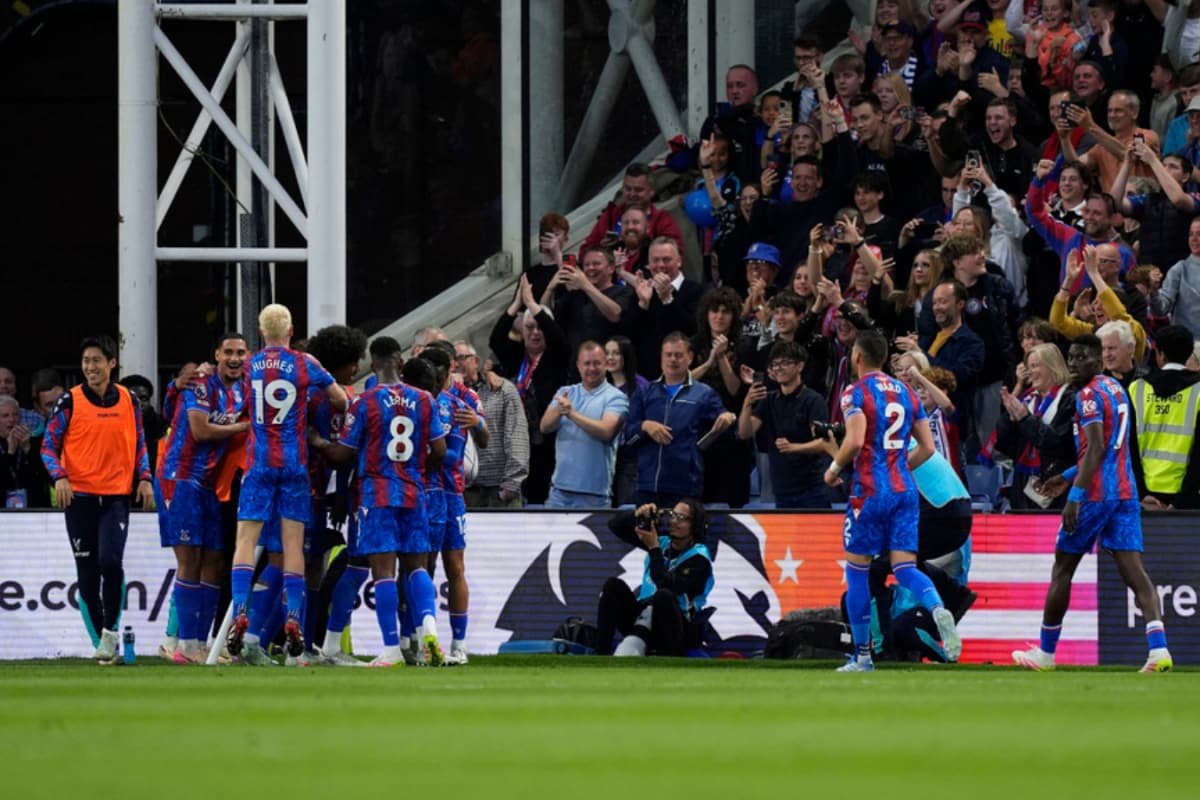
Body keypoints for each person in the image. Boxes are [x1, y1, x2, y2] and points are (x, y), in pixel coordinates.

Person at [1013, 335, 1173, 674]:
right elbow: (1112, 448)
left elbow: (1097, 448)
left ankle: (1045, 653)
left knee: (1062, 569)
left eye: (1082, 357)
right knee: (1135, 572)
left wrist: (1074, 495)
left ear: (1098, 360)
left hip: (1096, 495)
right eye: (1071, 356)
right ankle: (1159, 651)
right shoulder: (1115, 389)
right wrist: (1067, 475)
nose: (1073, 363)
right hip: (1125, 492)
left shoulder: (1087, 396)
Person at [823, 328, 961, 672]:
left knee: (857, 573)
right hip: (905, 491)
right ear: (885, 357)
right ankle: (936, 608)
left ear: (856, 356)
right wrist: (898, 465)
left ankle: (864, 657)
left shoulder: (854, 392)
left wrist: (834, 467)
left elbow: (854, 441)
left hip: (869, 492)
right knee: (904, 568)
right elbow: (928, 449)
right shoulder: (906, 392)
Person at [225, 304, 347, 660]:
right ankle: (293, 615)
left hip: (259, 463)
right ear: (291, 330)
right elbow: (339, 400)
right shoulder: (306, 363)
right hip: (295, 465)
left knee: (245, 540)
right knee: (294, 546)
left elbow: (236, 408)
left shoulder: (248, 365)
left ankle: (240, 612)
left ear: (261, 333)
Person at [313, 356, 446, 668]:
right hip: (414, 493)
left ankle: (390, 649)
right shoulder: (425, 400)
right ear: (400, 364)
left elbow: (344, 453)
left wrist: (318, 441)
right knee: (417, 569)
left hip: (376, 495)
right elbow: (440, 451)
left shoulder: (365, 401)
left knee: (379, 572)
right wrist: (417, 471)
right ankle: (429, 631)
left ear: (373, 366)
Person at [40, 335, 156, 662]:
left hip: (116, 496)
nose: (90, 367)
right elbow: (48, 447)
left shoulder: (129, 400)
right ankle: (101, 646)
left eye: (96, 361)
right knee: (88, 575)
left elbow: (140, 445)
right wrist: (60, 476)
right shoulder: (69, 402)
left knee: (110, 561)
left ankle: (110, 632)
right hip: (79, 498)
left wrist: (145, 479)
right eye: (86, 361)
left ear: (111, 364)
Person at [156, 332, 250, 664]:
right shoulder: (201, 384)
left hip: (209, 483)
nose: (235, 358)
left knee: (215, 562)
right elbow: (200, 430)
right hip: (179, 478)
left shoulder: (242, 389)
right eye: (229, 352)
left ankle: (204, 642)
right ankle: (184, 643)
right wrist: (244, 428)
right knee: (190, 561)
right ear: (217, 355)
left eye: (241, 352)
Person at [624, 333, 735, 506]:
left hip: (686, 486)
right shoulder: (645, 392)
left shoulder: (704, 393)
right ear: (661, 357)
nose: (673, 360)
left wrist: (728, 416)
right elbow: (628, 438)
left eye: (678, 355)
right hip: (647, 485)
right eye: (668, 355)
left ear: (690, 358)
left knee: (681, 533)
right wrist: (645, 426)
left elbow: (725, 418)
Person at [597, 498, 713, 657]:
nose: (673, 521)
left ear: (695, 526)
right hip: (642, 612)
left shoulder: (700, 558)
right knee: (613, 586)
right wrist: (639, 515)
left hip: (674, 626)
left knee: (663, 596)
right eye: (673, 515)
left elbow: (667, 585)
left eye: (681, 518)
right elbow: (615, 525)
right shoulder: (662, 542)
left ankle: (665, 658)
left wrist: (653, 548)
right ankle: (600, 653)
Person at [737, 340, 830, 509]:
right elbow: (744, 432)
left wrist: (794, 448)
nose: (779, 368)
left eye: (785, 363)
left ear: (800, 366)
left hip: (812, 490)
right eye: (775, 364)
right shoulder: (768, 400)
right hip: (780, 491)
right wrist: (747, 404)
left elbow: (823, 443)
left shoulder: (813, 400)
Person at [541, 341, 628, 509]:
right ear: (578, 366)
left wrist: (571, 413)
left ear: (605, 365)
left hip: (595, 495)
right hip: (559, 493)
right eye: (587, 363)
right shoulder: (565, 392)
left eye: (597, 363)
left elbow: (606, 431)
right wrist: (559, 410)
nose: (592, 368)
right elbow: (545, 427)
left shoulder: (616, 397)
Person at [994, 343, 1076, 511]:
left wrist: (1025, 419)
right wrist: (1009, 418)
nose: (1030, 371)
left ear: (1052, 365)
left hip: (1055, 486)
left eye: (1035, 365)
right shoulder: (1028, 399)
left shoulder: (1070, 399)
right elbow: (1004, 444)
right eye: (1029, 366)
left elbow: (1057, 443)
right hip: (1023, 484)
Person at [1129, 325, 1200, 510]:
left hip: (1145, 493)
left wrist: (1141, 493)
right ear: (1189, 353)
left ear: (1160, 354)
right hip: (1187, 495)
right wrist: (1182, 501)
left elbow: (1128, 447)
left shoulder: (1137, 388)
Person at [460, 342, 529, 509]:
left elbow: (517, 436)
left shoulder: (502, 389)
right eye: (453, 360)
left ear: (476, 360)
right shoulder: (447, 394)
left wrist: (511, 486)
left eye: (462, 358)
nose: (457, 363)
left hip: (499, 490)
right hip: (464, 491)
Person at [626, 237, 705, 381]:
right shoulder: (642, 291)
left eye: (666, 259)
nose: (660, 265)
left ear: (679, 261)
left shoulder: (696, 290)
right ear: (648, 264)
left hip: (683, 377)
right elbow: (630, 335)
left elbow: (691, 329)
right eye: (655, 260)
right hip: (646, 379)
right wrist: (643, 304)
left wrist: (668, 299)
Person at [581, 162, 684, 252]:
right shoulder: (610, 216)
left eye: (638, 190)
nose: (632, 194)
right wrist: (601, 248)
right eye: (628, 189)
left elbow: (675, 252)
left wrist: (643, 243)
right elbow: (584, 251)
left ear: (651, 191)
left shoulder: (662, 220)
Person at [605, 336, 647, 506]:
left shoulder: (641, 386)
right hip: (604, 458)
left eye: (616, 353)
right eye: (607, 353)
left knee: (626, 508)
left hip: (630, 459)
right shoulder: (598, 384)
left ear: (626, 356)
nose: (610, 357)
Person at [1151, 218, 1200, 337]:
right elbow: (1161, 309)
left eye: (1199, 234)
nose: (1194, 239)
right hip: (1187, 346)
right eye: (1191, 234)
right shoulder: (1180, 269)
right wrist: (1154, 292)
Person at [0, 394, 47, 507]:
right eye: (5, 416)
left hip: (33, 507)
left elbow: (44, 475)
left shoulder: (32, 441)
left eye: (15, 415)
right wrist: (10, 453)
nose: (12, 419)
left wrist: (28, 449)